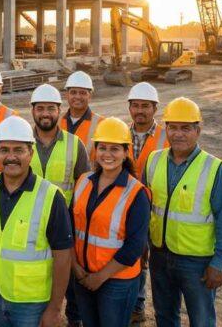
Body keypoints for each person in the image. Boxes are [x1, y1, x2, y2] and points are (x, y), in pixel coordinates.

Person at [0, 116, 72, 327]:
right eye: (4, 150)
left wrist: (55, 308)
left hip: (31, 302)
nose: (11, 157)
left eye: (18, 150)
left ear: (30, 153)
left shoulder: (51, 196)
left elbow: (63, 256)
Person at [143, 97, 222, 327]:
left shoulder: (214, 168)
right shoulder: (153, 160)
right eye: (172, 127)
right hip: (159, 254)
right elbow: (145, 208)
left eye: (186, 128)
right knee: (164, 316)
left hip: (197, 262)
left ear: (198, 130)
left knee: (202, 319)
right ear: (166, 129)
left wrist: (219, 263)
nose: (178, 134)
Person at [70, 117, 151, 327]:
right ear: (95, 150)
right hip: (83, 275)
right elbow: (71, 228)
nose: (107, 154)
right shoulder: (83, 182)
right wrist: (77, 267)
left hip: (117, 282)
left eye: (115, 149)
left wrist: (100, 277)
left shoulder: (136, 193)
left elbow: (135, 247)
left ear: (126, 153)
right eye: (102, 148)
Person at [28, 83, 90, 327]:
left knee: (71, 283)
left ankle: (73, 319)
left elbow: (84, 189)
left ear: (59, 111)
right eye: (40, 108)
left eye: (51, 109)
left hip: (66, 225)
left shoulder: (75, 145)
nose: (45, 113)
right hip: (30, 224)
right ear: (32, 110)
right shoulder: (22, 142)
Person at [126, 82, 168, 322]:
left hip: (159, 210)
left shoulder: (166, 136)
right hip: (128, 208)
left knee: (159, 264)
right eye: (135, 106)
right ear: (130, 108)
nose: (140, 110)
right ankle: (137, 304)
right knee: (135, 258)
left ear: (155, 108)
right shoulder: (120, 132)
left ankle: (155, 307)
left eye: (145, 106)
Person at [59, 71, 105, 160]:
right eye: (73, 92)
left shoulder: (102, 124)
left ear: (90, 95)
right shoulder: (57, 121)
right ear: (66, 95)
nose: (78, 97)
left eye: (83, 93)